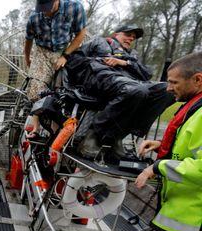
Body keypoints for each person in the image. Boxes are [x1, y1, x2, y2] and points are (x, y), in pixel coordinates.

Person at [66, 25, 176, 159]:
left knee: (167, 90)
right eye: (128, 34)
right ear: (116, 33)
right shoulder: (99, 42)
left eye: (133, 37)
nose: (131, 38)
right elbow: (74, 61)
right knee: (135, 90)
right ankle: (94, 134)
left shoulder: (132, 55)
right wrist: (100, 61)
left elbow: (147, 74)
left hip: (130, 82)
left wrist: (124, 63)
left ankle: (118, 136)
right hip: (102, 77)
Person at [135, 51, 202, 231]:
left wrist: (157, 167)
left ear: (198, 79)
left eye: (174, 82)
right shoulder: (195, 107)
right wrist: (161, 146)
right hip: (182, 215)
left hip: (191, 223)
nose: (168, 88)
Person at [25, 0, 87, 133]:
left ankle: (56, 126)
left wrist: (65, 55)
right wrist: (28, 60)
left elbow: (81, 34)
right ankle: (35, 126)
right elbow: (28, 41)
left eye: (48, 7)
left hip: (65, 49)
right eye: (42, 7)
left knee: (63, 89)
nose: (45, 11)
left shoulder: (74, 8)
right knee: (35, 87)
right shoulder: (34, 18)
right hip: (42, 51)